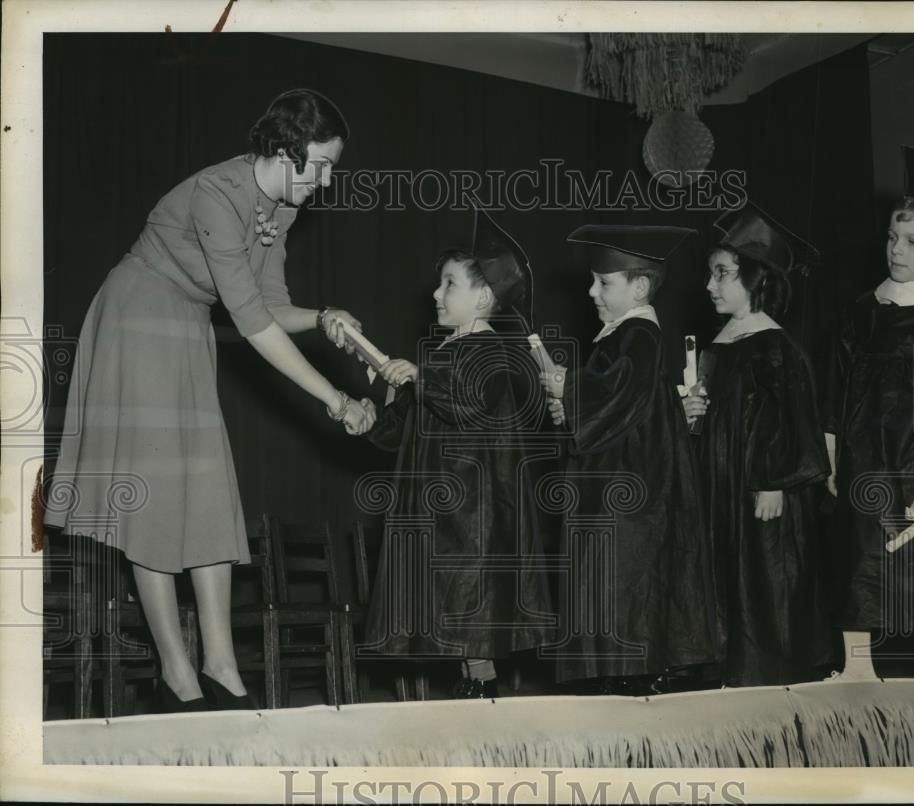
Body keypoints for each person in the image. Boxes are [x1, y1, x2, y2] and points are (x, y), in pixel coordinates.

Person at [45, 89, 376, 712]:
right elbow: (251, 323)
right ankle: (179, 673)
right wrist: (334, 398)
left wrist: (325, 315)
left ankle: (221, 664)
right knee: (153, 494)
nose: (328, 181)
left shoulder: (283, 205)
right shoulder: (216, 195)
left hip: (187, 323)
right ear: (285, 151)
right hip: (138, 314)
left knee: (207, 489)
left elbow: (272, 304)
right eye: (323, 165)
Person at [362, 207, 553, 698]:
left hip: (474, 517)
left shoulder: (496, 354)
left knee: (473, 620)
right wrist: (364, 410)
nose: (435, 294)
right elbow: (393, 435)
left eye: (449, 284)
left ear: (484, 296)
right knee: (452, 623)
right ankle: (474, 697)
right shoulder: (443, 357)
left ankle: (484, 695)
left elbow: (465, 399)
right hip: (440, 515)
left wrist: (419, 379)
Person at [540, 225, 717, 695]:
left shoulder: (637, 334)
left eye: (604, 283)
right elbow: (625, 407)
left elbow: (614, 391)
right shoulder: (622, 336)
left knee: (623, 586)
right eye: (594, 281)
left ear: (638, 287)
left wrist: (568, 389)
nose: (591, 291)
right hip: (622, 482)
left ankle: (627, 679)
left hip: (628, 495)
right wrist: (571, 406)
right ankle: (621, 678)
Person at [825, 147, 914, 681]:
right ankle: (857, 667)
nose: (896, 249)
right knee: (858, 552)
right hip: (865, 454)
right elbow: (837, 384)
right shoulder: (865, 309)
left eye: (913, 241)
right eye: (892, 237)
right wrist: (832, 452)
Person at [681, 204, 832, 687]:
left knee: (765, 582)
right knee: (726, 576)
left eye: (722, 274)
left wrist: (775, 481)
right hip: (721, 488)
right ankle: (726, 673)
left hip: (763, 494)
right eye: (711, 274)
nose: (710, 285)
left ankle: (769, 678)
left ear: (756, 278)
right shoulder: (722, 343)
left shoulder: (777, 347)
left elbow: (796, 425)